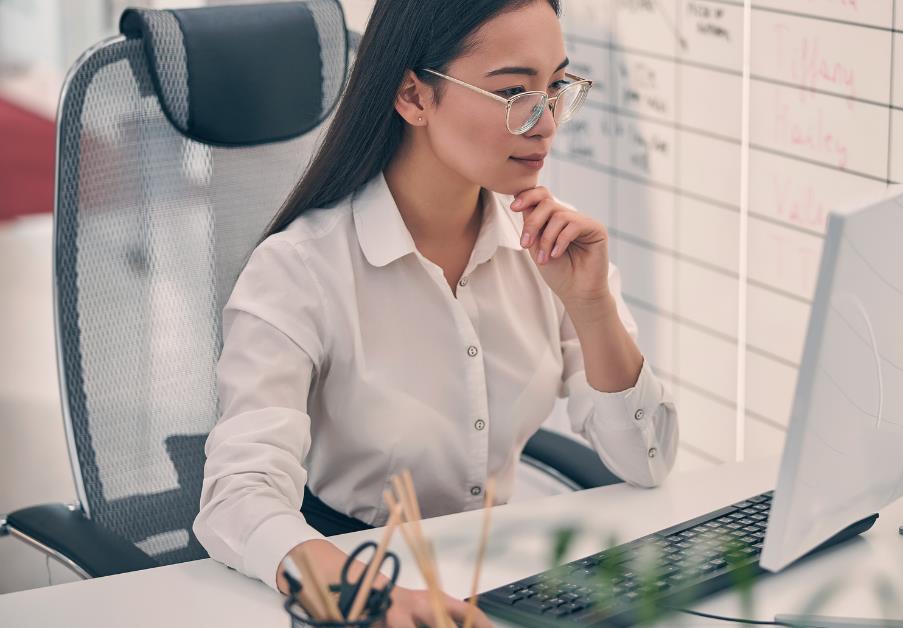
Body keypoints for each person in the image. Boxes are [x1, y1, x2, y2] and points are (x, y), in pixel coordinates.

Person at [192, 0, 680, 625]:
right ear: (413, 96)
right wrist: (370, 598)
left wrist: (592, 307)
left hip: (501, 581)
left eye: (556, 86)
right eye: (513, 92)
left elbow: (646, 461)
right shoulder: (299, 270)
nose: (546, 121)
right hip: (356, 584)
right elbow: (237, 498)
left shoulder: (549, 247)